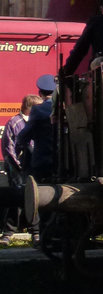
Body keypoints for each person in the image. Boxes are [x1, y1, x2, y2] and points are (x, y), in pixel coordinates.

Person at [15, 75, 57, 244]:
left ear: (40, 93)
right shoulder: (66, 105)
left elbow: (24, 136)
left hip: (43, 161)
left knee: (41, 198)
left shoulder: (39, 110)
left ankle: (44, 235)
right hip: (66, 161)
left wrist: (23, 144)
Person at [1, 93, 43, 243]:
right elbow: (8, 147)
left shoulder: (37, 121)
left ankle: (35, 231)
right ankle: (9, 231)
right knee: (18, 197)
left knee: (35, 198)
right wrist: (18, 166)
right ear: (29, 108)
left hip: (34, 166)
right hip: (18, 168)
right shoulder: (14, 122)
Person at [59, 0, 103, 78]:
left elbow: (81, 49)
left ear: (102, 8)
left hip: (101, 69)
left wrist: (67, 71)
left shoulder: (96, 21)